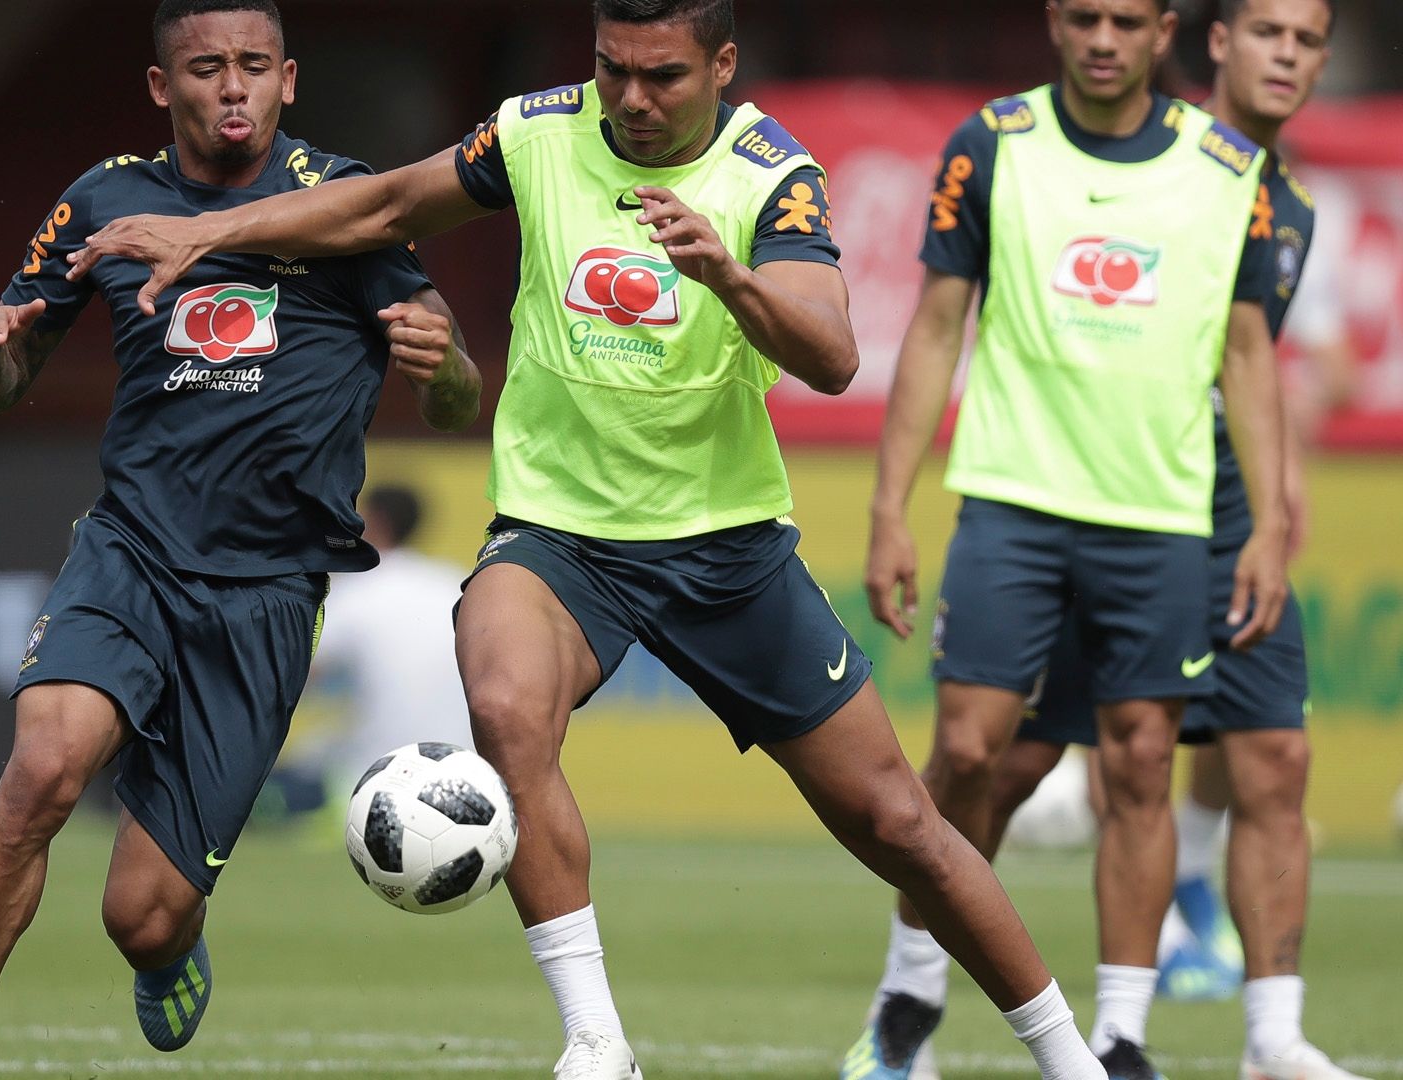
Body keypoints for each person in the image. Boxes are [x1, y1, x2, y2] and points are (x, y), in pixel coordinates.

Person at [69, 2, 1109, 1078]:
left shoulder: (771, 173)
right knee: (509, 708)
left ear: (722, 65)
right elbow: (379, 206)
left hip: (727, 546)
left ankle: (1071, 1060)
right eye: (614, 70)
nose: (633, 100)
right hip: (559, 540)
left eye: (663, 76)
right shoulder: (534, 132)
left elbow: (836, 356)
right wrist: (209, 230)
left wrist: (730, 277)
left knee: (901, 823)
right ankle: (596, 1042)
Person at [0, 2, 482, 1077]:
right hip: (130, 553)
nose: (232, 87)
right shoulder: (103, 199)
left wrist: (440, 361)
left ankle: (170, 950)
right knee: (41, 773)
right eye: (205, 67)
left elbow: (456, 399)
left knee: (144, 917)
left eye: (253, 66)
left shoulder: (344, 204)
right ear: (162, 87)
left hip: (266, 595)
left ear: (288, 79)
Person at [854, 0, 1295, 1076]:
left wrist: (1271, 521)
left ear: (1166, 31)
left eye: (1127, 20)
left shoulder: (1229, 167)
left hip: (1158, 516)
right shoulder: (991, 145)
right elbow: (938, 325)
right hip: (1013, 500)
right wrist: (888, 506)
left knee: (1141, 762)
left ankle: (1123, 1034)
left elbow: (1247, 354)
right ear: (1056, 21)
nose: (1105, 37)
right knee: (967, 749)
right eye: (1086, 16)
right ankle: (908, 988)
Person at [980, 2, 1371, 1077]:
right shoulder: (1158, 164)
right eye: (1267, 36)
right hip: (1109, 499)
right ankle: (905, 996)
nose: (1286, 58)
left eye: (1306, 43)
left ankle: (1272, 1041)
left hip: (1230, 509)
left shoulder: (1292, 204)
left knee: (1276, 758)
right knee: (1004, 764)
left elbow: (1273, 364)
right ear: (1216, 44)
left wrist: (1279, 501)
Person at [311, 485, 475, 781]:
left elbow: (297, 669)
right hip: (463, 766)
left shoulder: (360, 588)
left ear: (376, 521)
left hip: (379, 772)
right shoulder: (452, 582)